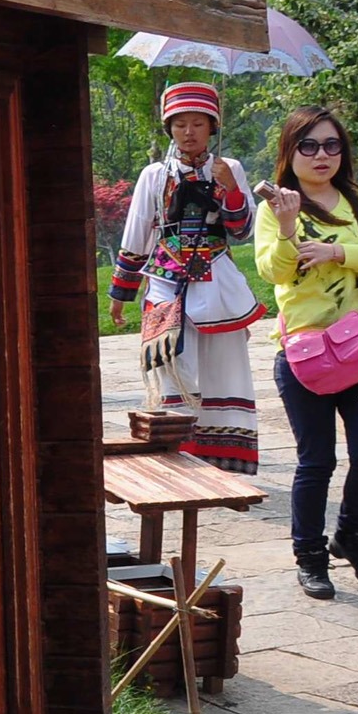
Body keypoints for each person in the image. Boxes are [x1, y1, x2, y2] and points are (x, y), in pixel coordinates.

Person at [255, 105, 358, 600]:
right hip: (304, 359)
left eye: (331, 145)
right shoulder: (274, 208)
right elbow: (273, 271)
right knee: (316, 461)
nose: (321, 155)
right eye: (309, 146)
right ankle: (310, 559)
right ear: (290, 152)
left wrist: (337, 252)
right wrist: (293, 231)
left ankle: (351, 538)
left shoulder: (357, 201)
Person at [109, 81, 267, 472]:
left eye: (198, 123)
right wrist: (121, 292)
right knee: (171, 368)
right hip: (165, 284)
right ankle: (179, 457)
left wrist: (229, 188)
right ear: (170, 129)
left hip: (217, 281)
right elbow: (138, 234)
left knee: (225, 366)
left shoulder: (229, 169)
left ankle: (227, 458)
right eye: (180, 124)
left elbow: (243, 229)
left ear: (212, 127)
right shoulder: (153, 176)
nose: (189, 132)